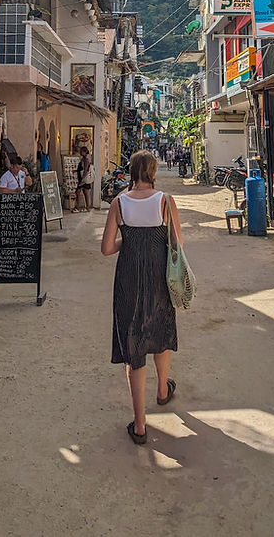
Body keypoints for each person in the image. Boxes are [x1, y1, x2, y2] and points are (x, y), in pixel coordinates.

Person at [101, 149, 182, 445]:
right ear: (153, 172)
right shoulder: (165, 202)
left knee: (133, 344)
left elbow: (107, 248)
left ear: (132, 171)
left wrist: (131, 240)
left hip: (128, 280)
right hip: (159, 278)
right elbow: (177, 243)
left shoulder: (118, 204)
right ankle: (163, 390)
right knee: (160, 329)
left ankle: (140, 425)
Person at [75, 146, 94, 211]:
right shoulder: (83, 159)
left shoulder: (86, 160)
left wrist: (83, 179)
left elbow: (86, 170)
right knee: (85, 192)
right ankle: (87, 207)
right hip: (82, 178)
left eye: (82, 151)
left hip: (83, 179)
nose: (80, 152)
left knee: (79, 192)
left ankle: (78, 207)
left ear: (85, 152)